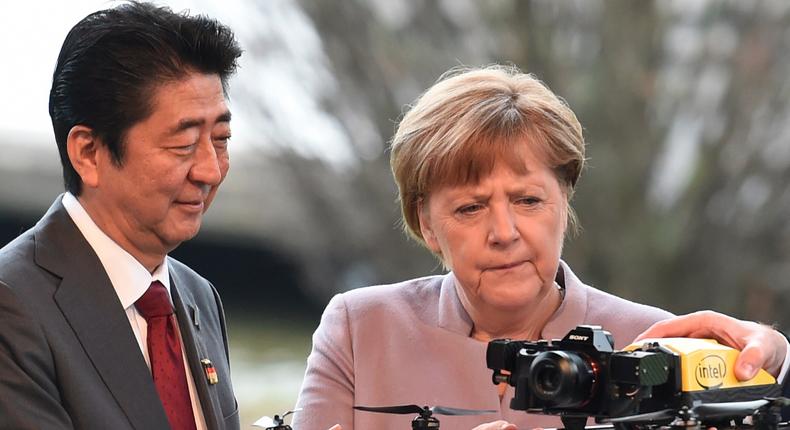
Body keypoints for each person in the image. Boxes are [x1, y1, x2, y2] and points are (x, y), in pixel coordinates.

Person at [292, 65, 675, 430]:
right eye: (471, 208)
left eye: (527, 201)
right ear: (427, 224)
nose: (504, 233)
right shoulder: (360, 331)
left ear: (564, 202)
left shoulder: (655, 341)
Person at [0, 2, 242, 429]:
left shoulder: (196, 294)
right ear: (88, 153)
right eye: (183, 145)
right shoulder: (14, 306)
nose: (210, 169)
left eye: (220, 139)